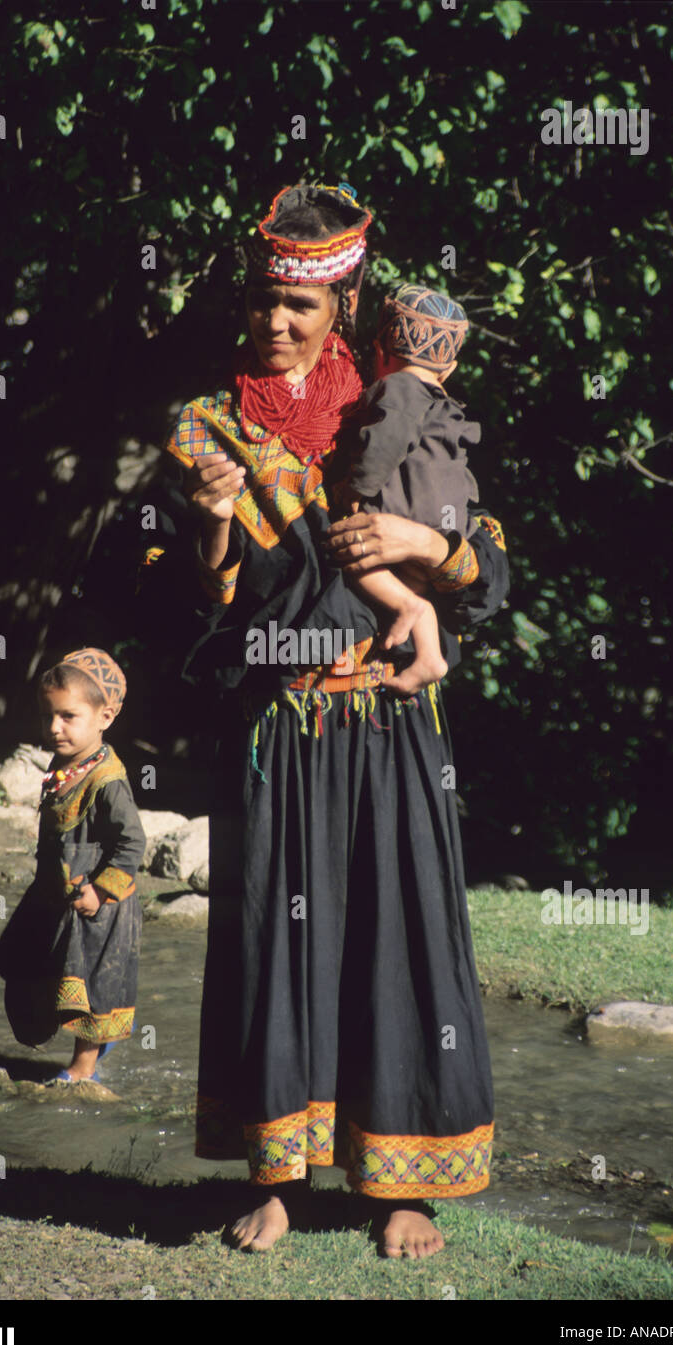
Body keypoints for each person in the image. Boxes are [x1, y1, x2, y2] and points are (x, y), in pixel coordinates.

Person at [147, 182, 509, 1257]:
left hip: (393, 720)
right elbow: (169, 603)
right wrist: (213, 537)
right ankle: (281, 1178)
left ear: (341, 307)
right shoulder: (206, 431)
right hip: (280, 723)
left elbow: (488, 568)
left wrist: (423, 550)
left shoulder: (392, 412)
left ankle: (405, 1180)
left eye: (300, 306)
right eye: (263, 301)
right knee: (274, 943)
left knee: (402, 940)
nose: (277, 321)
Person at [0, 647, 146, 1083]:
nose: (54, 728)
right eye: (47, 716)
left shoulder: (108, 781)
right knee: (29, 972)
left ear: (105, 717)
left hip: (100, 905)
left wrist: (101, 890)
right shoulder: (67, 763)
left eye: (68, 717)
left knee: (92, 985)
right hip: (58, 893)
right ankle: (60, 1039)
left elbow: (133, 842)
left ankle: (82, 1068)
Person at [331, 283, 481, 696]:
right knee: (413, 587)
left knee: (352, 554)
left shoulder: (397, 390)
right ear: (447, 370)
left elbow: (385, 442)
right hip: (446, 528)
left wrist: (357, 487)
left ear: (380, 352)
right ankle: (429, 655)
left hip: (406, 515)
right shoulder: (443, 405)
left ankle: (407, 608)